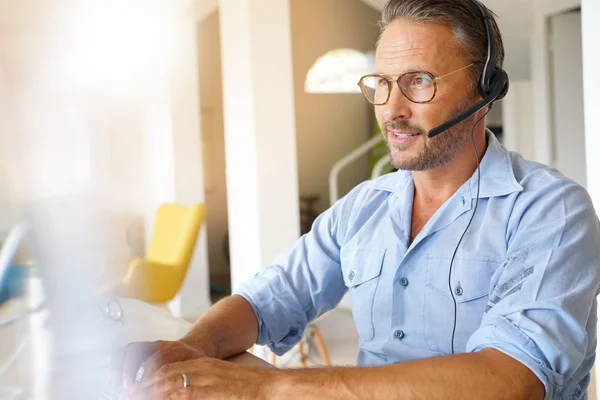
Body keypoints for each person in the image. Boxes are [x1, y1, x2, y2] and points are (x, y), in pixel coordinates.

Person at [119, 0, 600, 398]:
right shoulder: (364, 205)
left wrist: (267, 387)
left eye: (418, 81)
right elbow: (269, 298)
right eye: (382, 83)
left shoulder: (550, 211)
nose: (392, 109)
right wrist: (193, 348)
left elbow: (509, 381)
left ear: (485, 89)